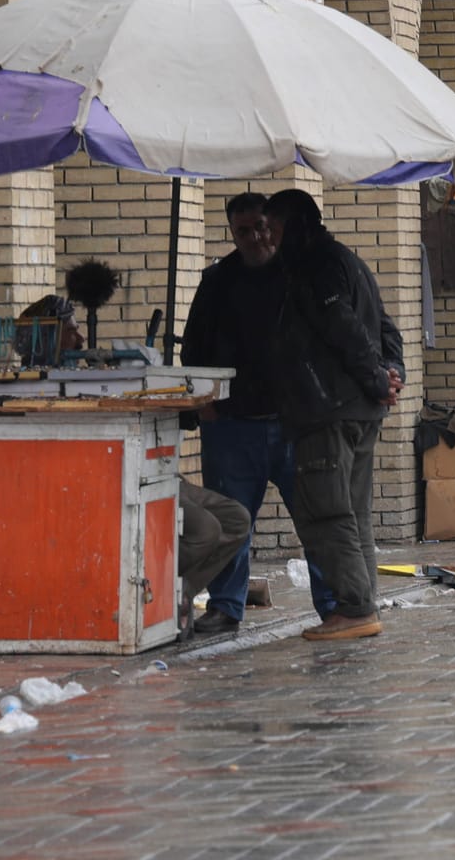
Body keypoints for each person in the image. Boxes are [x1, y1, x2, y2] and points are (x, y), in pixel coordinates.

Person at [180, 192, 333, 634]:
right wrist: (204, 404)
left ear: (276, 226)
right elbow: (193, 349)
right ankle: (226, 606)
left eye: (262, 227)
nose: (255, 237)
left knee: (316, 520)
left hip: (294, 424)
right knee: (232, 524)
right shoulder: (218, 281)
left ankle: (333, 605)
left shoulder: (297, 275)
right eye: (243, 230)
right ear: (232, 232)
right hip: (231, 426)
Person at [262, 189, 404, 642]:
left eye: (273, 227)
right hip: (359, 410)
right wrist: (389, 374)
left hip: (329, 410)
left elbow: (345, 329)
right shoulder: (350, 261)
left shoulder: (314, 267)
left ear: (293, 225)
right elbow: (386, 328)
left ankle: (354, 607)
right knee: (354, 512)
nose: (268, 237)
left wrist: (379, 380)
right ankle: (363, 604)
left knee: (327, 512)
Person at [178, 482, 250, 634]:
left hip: (168, 478)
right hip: (130, 478)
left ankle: (183, 591)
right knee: (206, 529)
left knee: (238, 519)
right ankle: (169, 591)